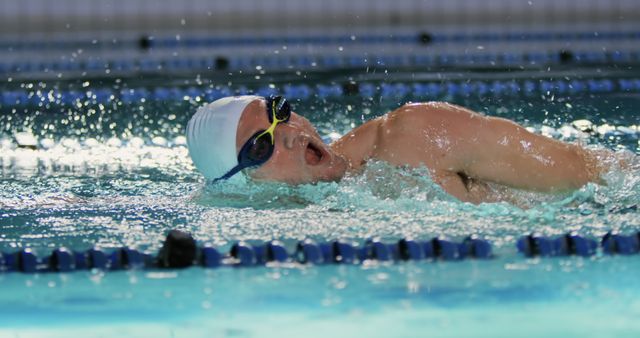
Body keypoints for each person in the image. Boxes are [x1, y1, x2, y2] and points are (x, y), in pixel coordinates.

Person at [186, 95, 616, 204]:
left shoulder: (415, 135)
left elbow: (595, 175)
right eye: (262, 146)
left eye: (280, 112)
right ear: (239, 184)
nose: (294, 133)